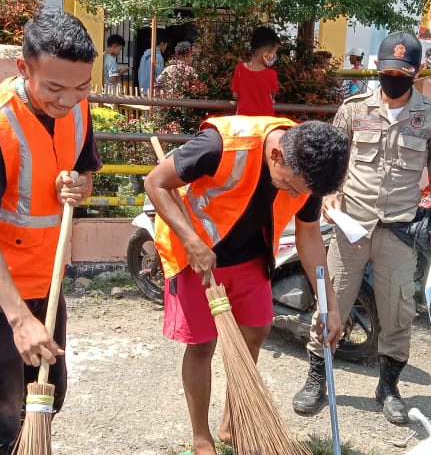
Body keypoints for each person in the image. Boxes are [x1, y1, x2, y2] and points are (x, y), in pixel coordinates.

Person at [0, 11, 103, 455]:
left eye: (82, 87)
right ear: (23, 68)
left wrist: (80, 185)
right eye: (54, 87)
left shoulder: (77, 108)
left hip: (45, 284)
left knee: (46, 398)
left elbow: (84, 173)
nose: (68, 99)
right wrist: (19, 320)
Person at [145, 116, 350, 455]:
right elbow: (155, 182)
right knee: (202, 344)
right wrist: (192, 243)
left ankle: (233, 422)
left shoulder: (308, 169)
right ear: (277, 156)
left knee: (255, 331)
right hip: (196, 255)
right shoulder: (220, 146)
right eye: (293, 187)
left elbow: (309, 235)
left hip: (252, 256)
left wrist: (330, 304)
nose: (296, 195)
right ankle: (201, 438)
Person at [291, 31, 431, 425]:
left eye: (402, 73)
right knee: (331, 302)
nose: (393, 79)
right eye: (387, 71)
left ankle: (388, 387)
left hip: (399, 232)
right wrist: (329, 194)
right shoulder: (353, 110)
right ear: (378, 68)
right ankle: (317, 379)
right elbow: (331, 159)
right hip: (351, 227)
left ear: (416, 72)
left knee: (398, 312)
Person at [231, 26, 281, 116]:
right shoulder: (271, 74)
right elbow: (272, 95)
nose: (274, 56)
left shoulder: (239, 69)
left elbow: (235, 95)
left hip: (244, 120)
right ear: (265, 55)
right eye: (274, 53)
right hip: (265, 120)